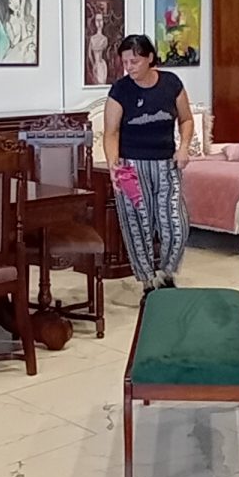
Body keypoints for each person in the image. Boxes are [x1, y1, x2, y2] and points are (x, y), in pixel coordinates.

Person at [102, 34, 194, 294]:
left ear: (150, 58)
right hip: (130, 168)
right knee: (137, 225)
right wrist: (113, 166)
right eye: (125, 62)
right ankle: (147, 283)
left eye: (134, 61)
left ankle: (165, 274)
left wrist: (184, 147)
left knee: (176, 225)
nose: (129, 67)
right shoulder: (120, 90)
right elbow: (111, 132)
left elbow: (186, 119)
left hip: (166, 165)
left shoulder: (171, 84)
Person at [0, 0, 38, 64]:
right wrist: (20, 27)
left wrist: (22, 18)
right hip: (16, 52)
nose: (14, 4)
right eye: (9, 2)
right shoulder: (8, 22)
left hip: (25, 50)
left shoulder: (26, 17)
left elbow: (26, 37)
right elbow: (13, 43)